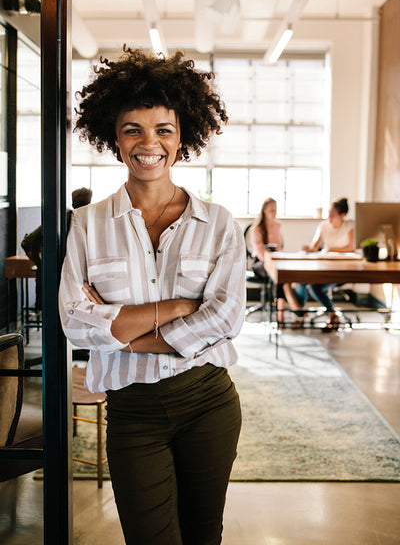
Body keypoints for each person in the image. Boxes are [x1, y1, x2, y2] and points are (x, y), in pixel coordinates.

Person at [58, 47, 246, 545]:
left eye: (164, 129)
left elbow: (225, 318)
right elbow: (76, 324)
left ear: (182, 139)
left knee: (204, 535)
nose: (150, 143)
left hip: (208, 400)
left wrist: (121, 333)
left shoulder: (219, 223)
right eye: (133, 129)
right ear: (114, 139)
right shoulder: (85, 226)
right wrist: (180, 308)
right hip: (132, 411)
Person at [21, 187, 92, 310]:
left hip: (56, 279)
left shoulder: (63, 218)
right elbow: (28, 242)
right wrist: (42, 264)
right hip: (70, 281)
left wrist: (41, 264)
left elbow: (28, 242)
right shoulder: (83, 220)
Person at [295, 197, 354, 331]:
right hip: (325, 267)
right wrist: (307, 249)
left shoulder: (349, 226)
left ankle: (331, 313)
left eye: (333, 215)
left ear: (342, 215)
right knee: (306, 282)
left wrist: (332, 249)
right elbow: (314, 247)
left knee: (315, 288)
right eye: (329, 213)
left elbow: (351, 248)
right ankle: (301, 314)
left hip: (342, 269)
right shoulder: (324, 226)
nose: (329, 217)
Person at [249, 197, 305, 325]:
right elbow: (260, 252)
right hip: (260, 263)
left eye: (275, 210)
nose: (274, 213)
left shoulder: (277, 225)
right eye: (271, 210)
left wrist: (277, 262)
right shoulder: (256, 229)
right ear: (264, 211)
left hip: (275, 260)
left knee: (283, 275)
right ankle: (291, 308)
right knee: (279, 276)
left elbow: (279, 247)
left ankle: (284, 315)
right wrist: (272, 264)